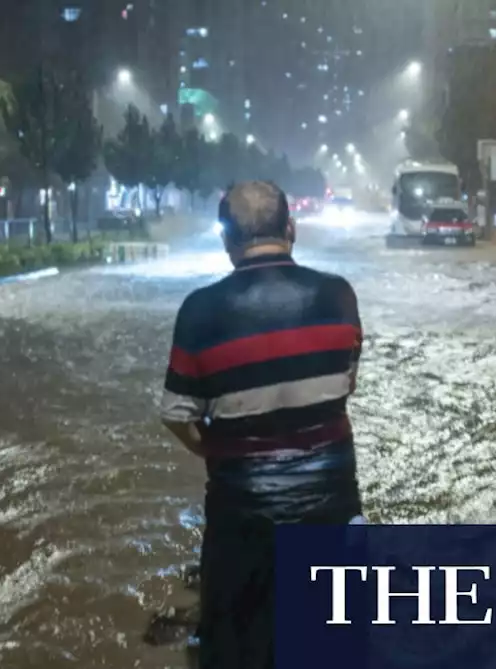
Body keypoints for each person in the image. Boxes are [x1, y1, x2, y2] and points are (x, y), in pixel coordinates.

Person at [160, 181, 365, 669]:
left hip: (242, 521)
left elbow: (176, 415)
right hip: (331, 510)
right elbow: (346, 383)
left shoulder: (200, 311)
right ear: (291, 229)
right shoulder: (339, 296)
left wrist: (221, 450)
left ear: (227, 242)